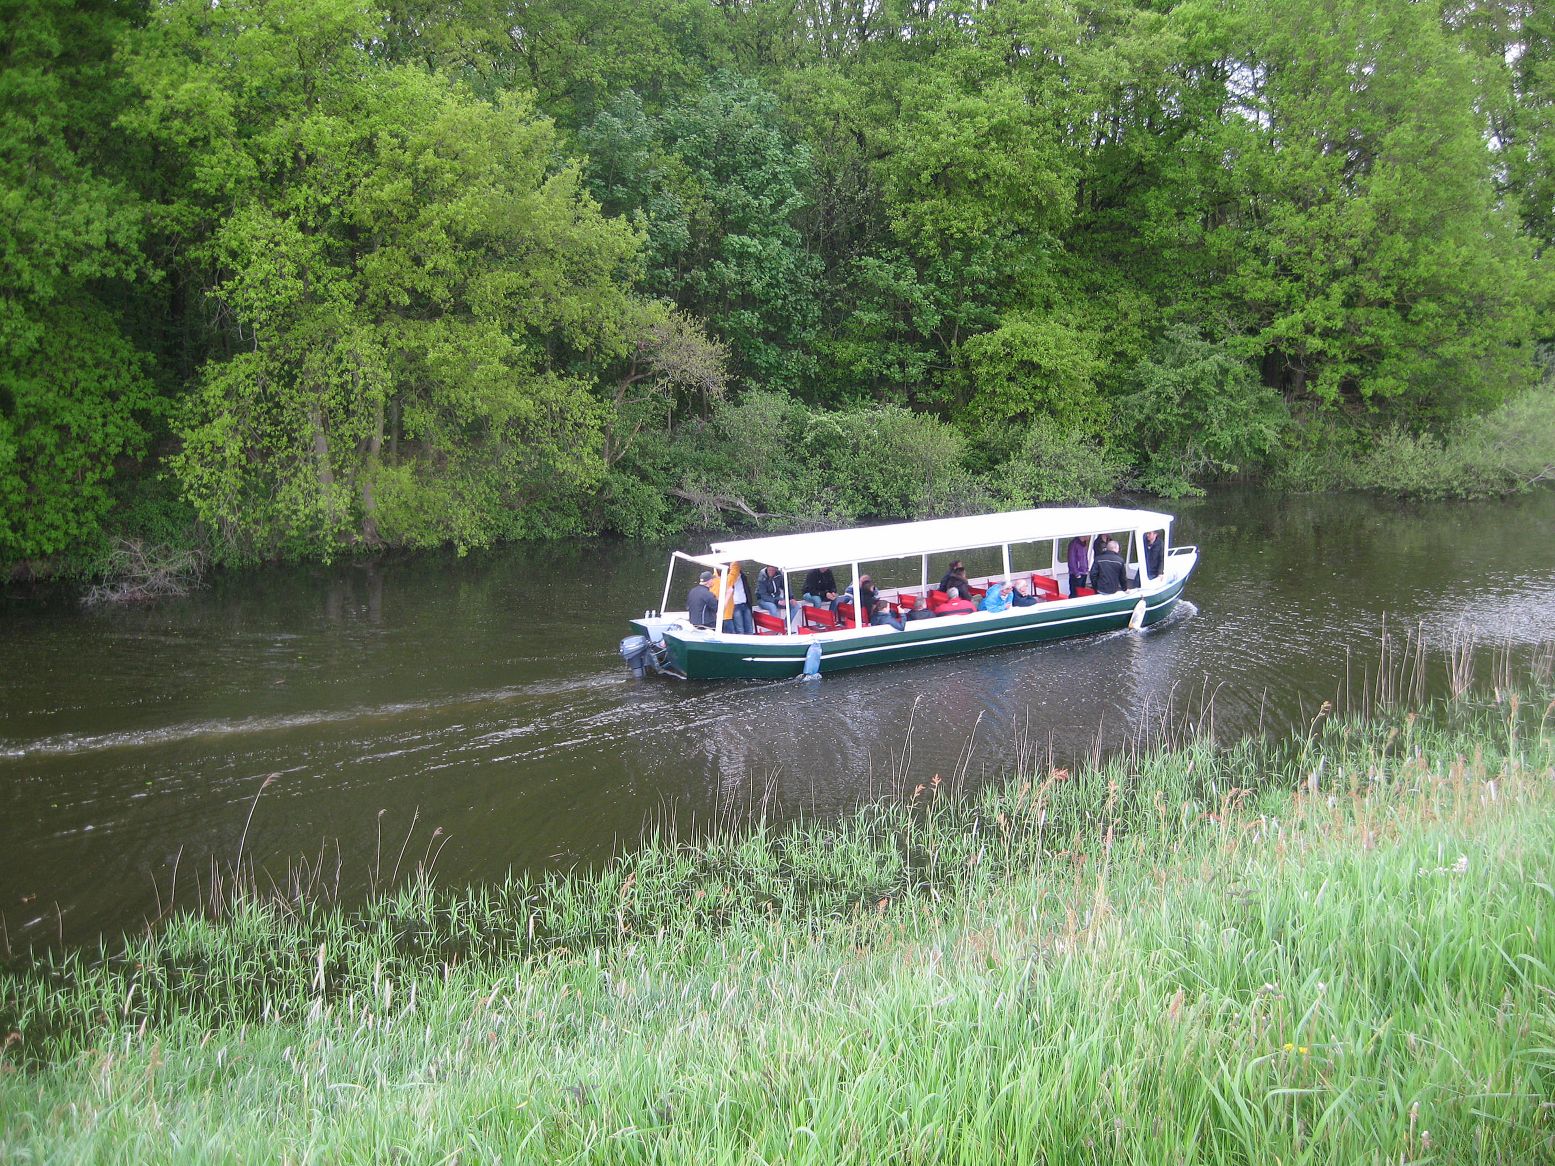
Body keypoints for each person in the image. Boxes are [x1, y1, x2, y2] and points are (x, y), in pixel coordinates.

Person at [713, 562, 755, 634]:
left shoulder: (742, 576)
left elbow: (747, 589)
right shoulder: (726, 579)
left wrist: (749, 602)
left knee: (749, 628)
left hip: (745, 604)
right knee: (740, 629)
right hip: (735, 605)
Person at [756, 564, 799, 629]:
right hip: (763, 600)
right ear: (767, 568)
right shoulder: (762, 577)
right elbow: (763, 595)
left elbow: (786, 586)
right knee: (772, 607)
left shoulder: (779, 575)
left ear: (776, 569)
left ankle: (784, 626)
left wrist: (791, 598)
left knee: (795, 606)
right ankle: (777, 629)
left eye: (773, 570)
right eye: (770, 570)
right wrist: (777, 601)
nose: (771, 572)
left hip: (776, 597)